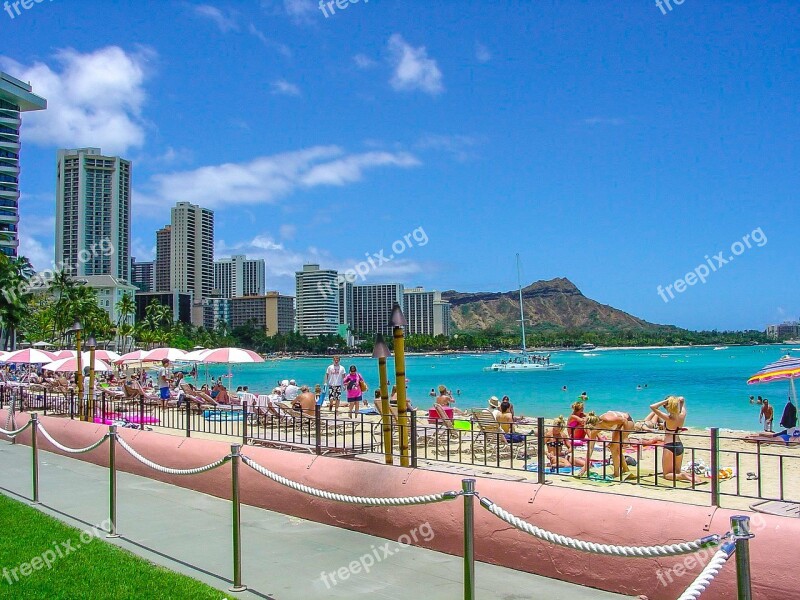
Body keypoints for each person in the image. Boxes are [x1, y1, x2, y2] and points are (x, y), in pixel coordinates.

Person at [578, 410, 635, 479]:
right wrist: (585, 466)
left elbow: (624, 420)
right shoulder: (595, 429)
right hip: (618, 425)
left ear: (597, 423)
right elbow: (590, 448)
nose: (592, 431)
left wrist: (625, 437)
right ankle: (625, 469)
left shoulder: (607, 419)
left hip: (628, 421)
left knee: (613, 447)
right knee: (615, 447)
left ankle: (616, 473)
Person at [648, 396, 691, 482]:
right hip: (679, 444)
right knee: (676, 471)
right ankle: (682, 475)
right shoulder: (682, 415)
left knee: (667, 475)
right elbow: (682, 399)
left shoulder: (668, 418)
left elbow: (652, 407)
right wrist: (675, 401)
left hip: (669, 445)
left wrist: (666, 401)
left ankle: (683, 475)